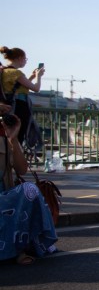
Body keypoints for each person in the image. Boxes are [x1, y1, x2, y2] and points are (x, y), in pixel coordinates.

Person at [0, 111, 58, 265]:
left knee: (29, 189)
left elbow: (22, 170)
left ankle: (19, 248)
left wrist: (12, 138)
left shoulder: (4, 137)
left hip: (4, 199)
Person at [0, 46, 44, 145]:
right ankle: (16, 153)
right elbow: (36, 88)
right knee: (18, 135)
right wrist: (39, 76)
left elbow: (18, 87)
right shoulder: (16, 73)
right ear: (19, 58)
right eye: (25, 59)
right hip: (19, 106)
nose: (25, 61)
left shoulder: (3, 71)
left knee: (8, 135)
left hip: (7, 105)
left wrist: (31, 77)